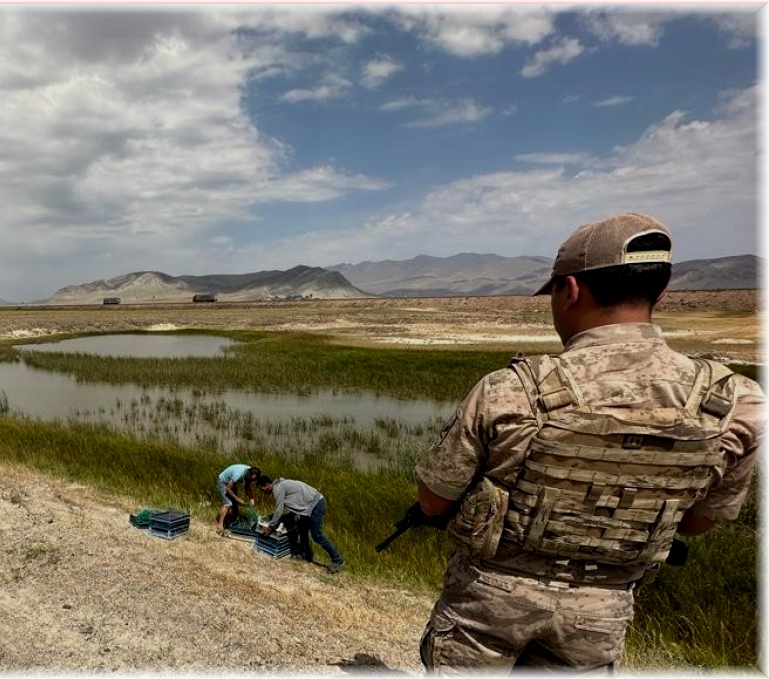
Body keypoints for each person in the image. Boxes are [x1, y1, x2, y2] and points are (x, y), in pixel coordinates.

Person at [412, 213, 763, 672]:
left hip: (489, 603)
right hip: (602, 610)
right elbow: (697, 523)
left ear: (571, 290)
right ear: (660, 293)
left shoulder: (511, 389)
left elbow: (434, 501)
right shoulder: (735, 401)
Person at [256, 475, 344, 573]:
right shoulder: (281, 484)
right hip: (311, 504)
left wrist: (270, 527)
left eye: (262, 489)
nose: (263, 491)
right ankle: (306, 555)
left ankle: (337, 559)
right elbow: (295, 498)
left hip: (316, 504)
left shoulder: (278, 489)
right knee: (302, 528)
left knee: (317, 535)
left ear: (267, 485)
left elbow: (278, 511)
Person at [215, 463, 260, 534]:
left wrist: (251, 498)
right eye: (251, 479)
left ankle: (234, 522)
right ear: (248, 474)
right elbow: (227, 489)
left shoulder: (250, 473)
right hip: (223, 482)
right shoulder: (238, 474)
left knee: (235, 505)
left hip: (231, 483)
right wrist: (237, 499)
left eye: (253, 480)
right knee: (228, 503)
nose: (251, 481)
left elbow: (247, 487)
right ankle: (220, 526)